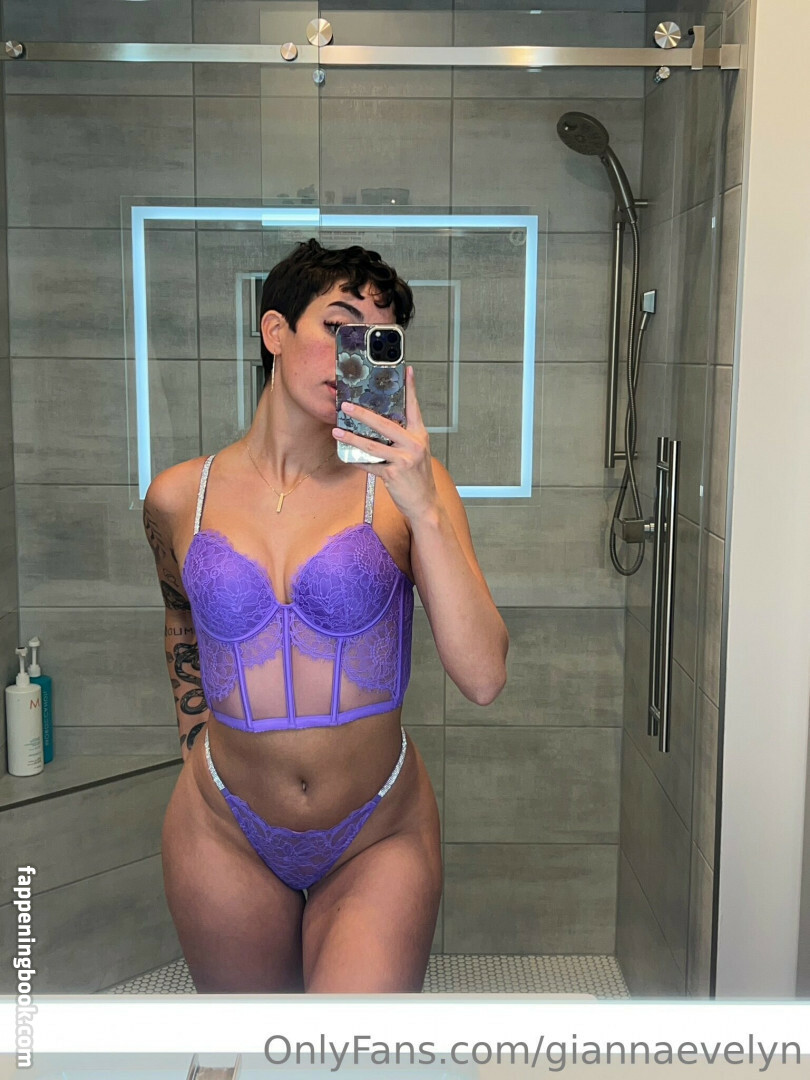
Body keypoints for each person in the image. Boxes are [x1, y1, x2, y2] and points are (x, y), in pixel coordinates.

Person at [143, 238, 508, 993]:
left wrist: (423, 506)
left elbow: (483, 677)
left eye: (376, 337)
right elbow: (181, 616)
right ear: (275, 332)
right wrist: (194, 740)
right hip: (221, 826)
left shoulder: (411, 488)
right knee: (249, 1049)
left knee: (347, 1052)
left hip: (377, 831)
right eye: (338, 326)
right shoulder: (179, 496)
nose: (353, 354)